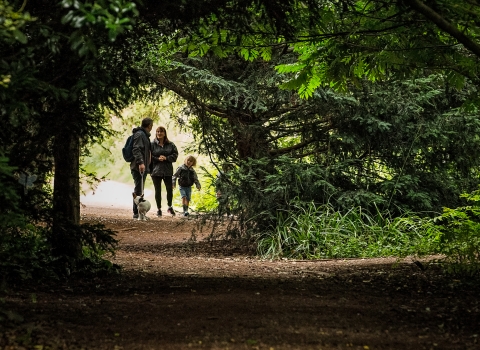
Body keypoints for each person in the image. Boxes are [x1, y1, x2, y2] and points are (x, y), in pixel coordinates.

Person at [150, 126, 178, 217]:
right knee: (158, 190)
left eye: (161, 131)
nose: (159, 133)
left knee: (169, 190)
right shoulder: (152, 144)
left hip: (168, 170)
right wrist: (157, 158)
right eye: (158, 131)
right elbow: (149, 156)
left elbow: (175, 155)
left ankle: (169, 206)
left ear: (165, 133)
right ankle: (159, 209)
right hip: (155, 171)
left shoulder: (171, 144)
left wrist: (166, 158)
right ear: (156, 133)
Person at [130, 117, 153, 219]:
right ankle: (137, 212)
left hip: (142, 165)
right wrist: (141, 163)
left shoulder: (144, 135)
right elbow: (136, 149)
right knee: (139, 189)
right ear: (149, 126)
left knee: (140, 187)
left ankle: (139, 212)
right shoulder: (140, 134)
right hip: (138, 166)